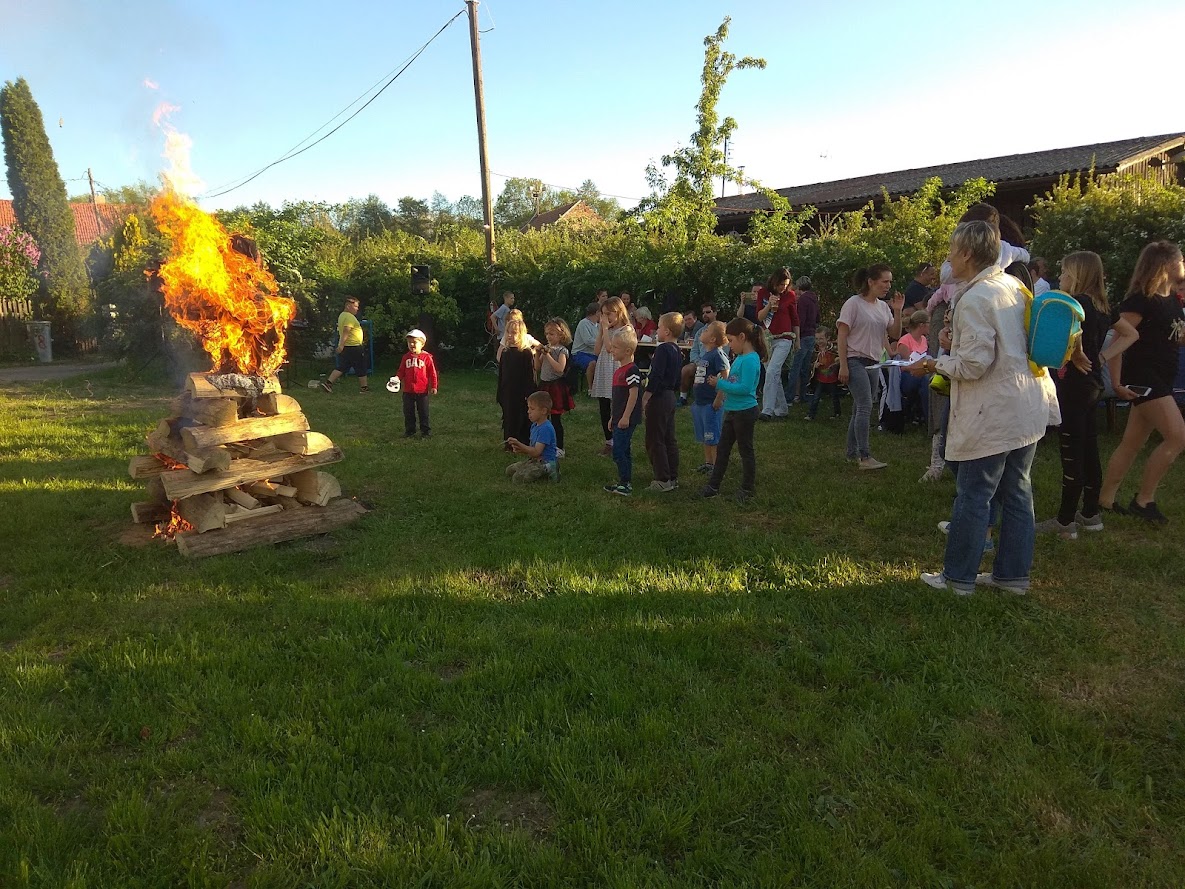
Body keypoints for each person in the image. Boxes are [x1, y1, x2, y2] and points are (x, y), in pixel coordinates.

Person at [911, 221, 1058, 595]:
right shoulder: (1013, 285)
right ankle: (1012, 577)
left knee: (975, 493)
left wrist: (934, 363)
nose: (947, 259)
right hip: (1027, 403)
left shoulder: (976, 297)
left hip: (994, 410)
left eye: (951, 251)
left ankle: (958, 578)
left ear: (966, 254)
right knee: (1017, 492)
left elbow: (974, 365)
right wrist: (954, 343)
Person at [1098, 240, 1185, 523]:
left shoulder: (1172, 298)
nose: (1183, 264)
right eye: (1180, 259)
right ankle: (1144, 500)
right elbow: (1119, 339)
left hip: (1162, 376)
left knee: (1132, 443)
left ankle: (1105, 500)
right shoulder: (1140, 300)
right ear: (1167, 264)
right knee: (1178, 436)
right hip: (1144, 377)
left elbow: (1172, 336)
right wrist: (1116, 382)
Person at [1035, 251, 1110, 538]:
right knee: (1089, 448)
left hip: (1074, 387)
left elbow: (1067, 334)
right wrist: (1098, 355)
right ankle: (1091, 513)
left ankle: (1065, 521)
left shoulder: (1076, 304)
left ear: (1077, 275)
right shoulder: (1102, 306)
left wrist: (1076, 352)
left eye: (1065, 272)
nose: (1060, 277)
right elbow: (1126, 333)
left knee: (1072, 452)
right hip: (1093, 383)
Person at [837, 264, 905, 470]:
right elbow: (842, 336)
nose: (888, 286)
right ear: (871, 282)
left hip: (874, 362)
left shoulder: (883, 307)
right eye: (885, 281)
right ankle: (864, 457)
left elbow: (895, 333)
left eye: (890, 282)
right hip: (855, 360)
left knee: (859, 407)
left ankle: (851, 453)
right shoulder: (853, 304)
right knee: (865, 405)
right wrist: (843, 365)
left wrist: (897, 311)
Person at [700, 317, 766, 502]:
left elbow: (745, 388)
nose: (729, 345)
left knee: (746, 451)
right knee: (723, 450)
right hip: (732, 410)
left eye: (731, 340)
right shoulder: (740, 358)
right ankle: (713, 485)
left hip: (745, 412)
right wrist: (722, 386)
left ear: (742, 337)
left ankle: (747, 488)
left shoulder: (751, 360)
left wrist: (720, 384)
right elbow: (733, 381)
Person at [643, 311, 684, 492]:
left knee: (655, 438)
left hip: (659, 397)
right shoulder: (677, 351)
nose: (656, 330)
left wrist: (646, 396)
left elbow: (656, 375)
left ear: (667, 331)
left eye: (658, 327)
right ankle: (672, 475)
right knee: (669, 437)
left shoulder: (662, 349)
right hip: (670, 396)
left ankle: (662, 478)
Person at [603, 326, 643, 496]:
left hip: (626, 419)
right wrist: (613, 416)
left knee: (619, 450)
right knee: (622, 449)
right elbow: (618, 398)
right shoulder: (619, 370)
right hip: (618, 417)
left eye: (615, 347)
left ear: (627, 351)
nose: (612, 350)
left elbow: (634, 394)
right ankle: (624, 480)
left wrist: (626, 417)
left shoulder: (631, 370)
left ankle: (625, 483)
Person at [756, 267, 800, 421]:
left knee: (772, 371)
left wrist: (797, 340)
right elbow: (760, 317)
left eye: (786, 285)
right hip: (767, 338)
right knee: (773, 374)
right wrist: (769, 305)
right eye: (781, 284)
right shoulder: (763, 293)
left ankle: (767, 410)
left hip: (785, 338)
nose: (783, 288)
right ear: (774, 282)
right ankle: (781, 409)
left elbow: (795, 319)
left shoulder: (790, 295)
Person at [589, 297, 631, 456]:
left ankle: (619, 440)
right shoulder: (606, 329)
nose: (606, 318)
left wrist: (605, 329)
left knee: (617, 403)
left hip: (617, 368)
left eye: (609, 314)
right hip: (604, 368)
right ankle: (609, 441)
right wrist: (601, 330)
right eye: (603, 314)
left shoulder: (626, 330)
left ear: (619, 312)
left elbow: (609, 348)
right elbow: (597, 350)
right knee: (604, 404)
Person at [691, 320, 730, 473]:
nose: (703, 331)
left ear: (713, 339)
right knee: (705, 436)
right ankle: (708, 463)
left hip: (711, 403)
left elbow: (726, 375)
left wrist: (719, 397)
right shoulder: (706, 355)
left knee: (712, 436)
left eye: (707, 331)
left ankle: (716, 466)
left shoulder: (718, 354)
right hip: (700, 402)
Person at [496, 309, 537, 448]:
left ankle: (522, 443)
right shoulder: (505, 353)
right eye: (508, 332)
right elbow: (502, 375)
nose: (510, 335)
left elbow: (530, 375)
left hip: (521, 392)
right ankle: (509, 442)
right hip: (508, 391)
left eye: (514, 333)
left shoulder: (526, 353)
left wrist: (529, 393)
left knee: (521, 416)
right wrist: (500, 392)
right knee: (509, 416)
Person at [535, 318, 574, 457]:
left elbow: (560, 369)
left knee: (556, 418)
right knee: (542, 417)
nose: (548, 337)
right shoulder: (547, 348)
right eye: (547, 334)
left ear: (561, 335)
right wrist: (538, 353)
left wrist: (548, 355)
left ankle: (559, 447)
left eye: (552, 334)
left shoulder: (562, 350)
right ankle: (542, 443)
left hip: (556, 386)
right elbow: (537, 367)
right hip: (544, 384)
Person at [505, 391, 559, 483]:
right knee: (509, 470)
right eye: (528, 408)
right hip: (534, 460)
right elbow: (532, 451)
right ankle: (534, 470)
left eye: (532, 409)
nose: (528, 411)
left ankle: (550, 470)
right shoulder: (534, 425)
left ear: (543, 411)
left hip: (544, 462)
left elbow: (536, 452)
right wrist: (520, 449)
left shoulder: (545, 429)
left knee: (517, 478)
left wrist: (520, 445)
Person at [320, 296, 369, 393]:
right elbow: (346, 330)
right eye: (355, 306)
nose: (357, 309)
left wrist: (342, 345)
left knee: (343, 366)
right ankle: (364, 388)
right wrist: (341, 345)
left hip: (348, 346)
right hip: (354, 346)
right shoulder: (349, 317)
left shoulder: (342, 315)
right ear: (348, 306)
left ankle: (328, 383)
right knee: (361, 366)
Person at [397, 328, 438, 438]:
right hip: (408, 390)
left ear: (422, 344)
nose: (411, 345)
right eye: (409, 342)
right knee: (408, 412)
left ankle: (425, 431)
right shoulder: (406, 357)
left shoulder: (427, 358)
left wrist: (434, 386)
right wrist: (397, 378)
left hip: (422, 391)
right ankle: (410, 430)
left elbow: (432, 373)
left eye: (414, 342)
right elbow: (401, 371)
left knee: (423, 412)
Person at [787, 276, 819, 404]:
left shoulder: (803, 300)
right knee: (805, 368)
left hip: (803, 335)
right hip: (811, 334)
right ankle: (803, 394)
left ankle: (790, 395)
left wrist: (796, 335)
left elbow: (800, 320)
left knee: (795, 367)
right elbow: (818, 317)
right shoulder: (814, 299)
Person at [680, 303, 719, 405]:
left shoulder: (721, 330)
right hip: (700, 362)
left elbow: (726, 351)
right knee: (686, 369)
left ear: (715, 313)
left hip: (717, 363)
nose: (705, 315)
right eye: (703, 313)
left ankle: (715, 397)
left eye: (708, 312)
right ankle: (683, 397)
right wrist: (698, 362)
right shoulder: (700, 332)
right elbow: (694, 350)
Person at [897, 310, 931, 426]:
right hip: (908, 375)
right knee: (925, 381)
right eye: (928, 323)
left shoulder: (924, 339)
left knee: (928, 380)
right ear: (922, 325)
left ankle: (927, 417)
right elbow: (905, 365)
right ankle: (928, 420)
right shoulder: (905, 341)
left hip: (922, 371)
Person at [806, 328, 842, 420]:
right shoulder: (815, 350)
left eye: (821, 339)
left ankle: (837, 413)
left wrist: (837, 361)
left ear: (827, 338)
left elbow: (840, 357)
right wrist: (815, 365)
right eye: (817, 339)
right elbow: (811, 362)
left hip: (832, 378)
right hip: (820, 379)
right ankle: (811, 414)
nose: (819, 341)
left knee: (834, 397)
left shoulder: (833, 348)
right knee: (816, 397)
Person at [571, 302, 601, 392]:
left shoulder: (598, 326)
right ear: (597, 312)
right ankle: (591, 389)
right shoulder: (583, 323)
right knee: (592, 363)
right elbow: (588, 341)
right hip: (580, 353)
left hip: (593, 353)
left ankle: (602, 387)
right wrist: (601, 343)